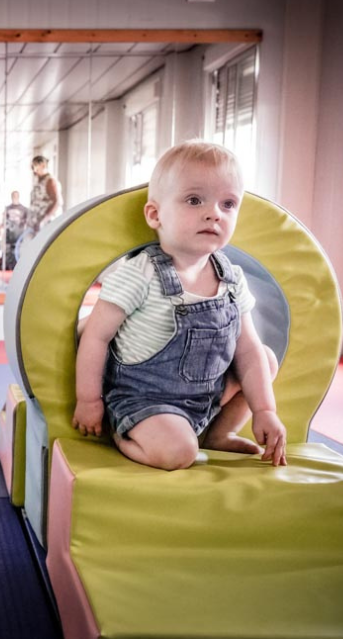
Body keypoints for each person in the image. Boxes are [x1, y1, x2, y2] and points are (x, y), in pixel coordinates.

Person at [73, 140, 286, 471]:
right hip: (144, 400)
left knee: (265, 359)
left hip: (207, 396)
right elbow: (96, 337)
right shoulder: (141, 273)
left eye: (228, 204)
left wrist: (265, 411)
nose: (214, 212)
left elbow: (248, 349)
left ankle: (218, 433)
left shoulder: (231, 278)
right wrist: (89, 401)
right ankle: (123, 436)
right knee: (179, 454)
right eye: (194, 200)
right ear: (155, 215)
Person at [21, 155, 63, 257]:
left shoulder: (50, 181)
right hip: (34, 224)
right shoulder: (38, 182)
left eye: (35, 167)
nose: (33, 170)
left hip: (45, 224)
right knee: (28, 251)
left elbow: (57, 202)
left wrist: (43, 220)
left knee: (43, 253)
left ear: (43, 165)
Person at [0, 190, 29, 269]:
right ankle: (8, 266)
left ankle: (18, 266)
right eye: (13, 196)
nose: (14, 197)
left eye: (16, 196)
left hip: (19, 234)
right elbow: (3, 220)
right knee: (8, 252)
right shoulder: (7, 208)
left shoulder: (24, 209)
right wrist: (0, 229)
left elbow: (28, 221)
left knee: (18, 251)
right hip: (9, 234)